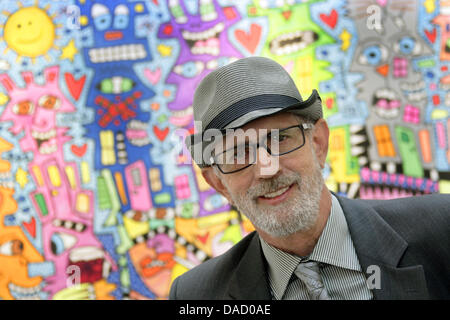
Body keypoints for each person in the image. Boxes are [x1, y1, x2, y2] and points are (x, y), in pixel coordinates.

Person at [170, 56, 450, 300]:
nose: (267, 168)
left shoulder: (440, 230)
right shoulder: (197, 294)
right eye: (238, 153)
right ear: (219, 184)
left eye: (280, 138)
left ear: (317, 143)